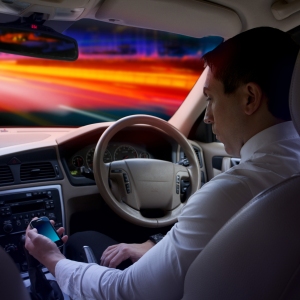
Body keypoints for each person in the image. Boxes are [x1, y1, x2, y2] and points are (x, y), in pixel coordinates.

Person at [25, 26, 300, 299]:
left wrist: (52, 260)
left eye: (211, 99)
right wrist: (154, 244)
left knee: (81, 240)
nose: (207, 117)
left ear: (249, 99)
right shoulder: (286, 175)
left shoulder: (233, 190)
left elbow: (126, 291)